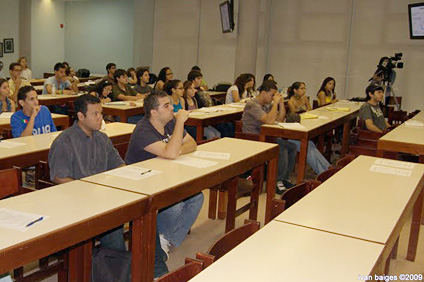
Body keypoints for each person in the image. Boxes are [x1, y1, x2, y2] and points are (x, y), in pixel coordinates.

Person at [48, 94, 169, 279]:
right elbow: (59, 177)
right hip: (76, 202)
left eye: (101, 113)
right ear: (80, 116)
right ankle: (118, 271)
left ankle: (156, 270)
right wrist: (89, 191)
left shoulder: (102, 139)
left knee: (146, 214)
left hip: (104, 197)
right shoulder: (65, 141)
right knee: (114, 234)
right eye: (95, 114)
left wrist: (127, 178)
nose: (100, 117)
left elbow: (119, 165)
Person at [125, 91, 203, 258]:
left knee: (197, 197)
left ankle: (166, 238)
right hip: (140, 181)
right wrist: (180, 124)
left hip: (164, 175)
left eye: (171, 104)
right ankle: (158, 240)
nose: (172, 108)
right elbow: (171, 153)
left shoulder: (169, 122)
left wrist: (176, 149)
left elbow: (192, 143)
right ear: (154, 112)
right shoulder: (143, 130)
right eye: (166, 106)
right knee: (176, 204)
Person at [242, 80, 296, 192]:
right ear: (263, 93)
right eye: (272, 95)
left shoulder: (265, 105)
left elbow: (280, 119)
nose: (273, 98)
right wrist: (275, 103)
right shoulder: (252, 104)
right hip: (253, 139)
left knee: (292, 147)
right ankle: (277, 181)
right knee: (280, 147)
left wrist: (280, 103)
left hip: (265, 137)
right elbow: (269, 120)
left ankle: (284, 178)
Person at [286, 81, 330, 175]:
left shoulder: (305, 98)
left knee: (310, 144)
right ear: (295, 90)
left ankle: (328, 168)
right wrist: (304, 110)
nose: (304, 91)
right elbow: (295, 113)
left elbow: (309, 110)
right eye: (302, 88)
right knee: (306, 146)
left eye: (304, 88)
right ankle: (323, 173)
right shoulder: (290, 101)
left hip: (304, 123)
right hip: (293, 130)